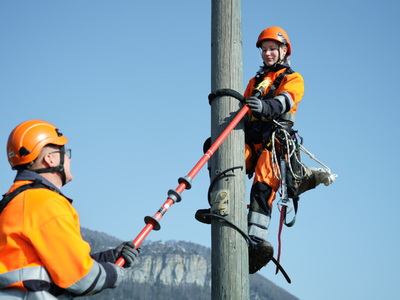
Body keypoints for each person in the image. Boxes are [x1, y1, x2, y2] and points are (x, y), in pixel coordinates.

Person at [0, 119, 139, 299]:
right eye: (64, 152)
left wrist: (109, 257)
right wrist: (114, 273)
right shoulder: (44, 202)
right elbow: (81, 278)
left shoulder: (16, 201)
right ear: (49, 159)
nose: (69, 159)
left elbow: (58, 268)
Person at [244, 26, 304, 273]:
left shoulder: (293, 78)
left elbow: (286, 100)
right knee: (217, 153)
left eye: (272, 49)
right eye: (264, 50)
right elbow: (242, 108)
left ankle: (255, 241)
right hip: (250, 141)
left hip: (273, 145)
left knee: (262, 187)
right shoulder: (254, 82)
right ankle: (220, 205)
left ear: (283, 51)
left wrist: (264, 107)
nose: (268, 54)